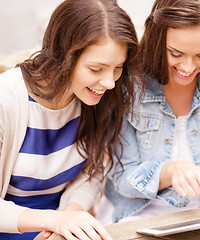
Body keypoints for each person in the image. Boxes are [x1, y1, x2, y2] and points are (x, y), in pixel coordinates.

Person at [96, 0, 200, 225]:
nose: (188, 67)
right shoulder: (127, 83)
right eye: (175, 53)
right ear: (157, 38)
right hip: (134, 216)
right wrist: (169, 171)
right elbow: (124, 180)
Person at [0, 0, 139, 239]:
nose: (110, 83)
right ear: (62, 55)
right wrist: (55, 220)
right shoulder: (7, 100)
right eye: (96, 69)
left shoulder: (98, 98)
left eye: (118, 67)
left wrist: (71, 217)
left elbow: (92, 174)